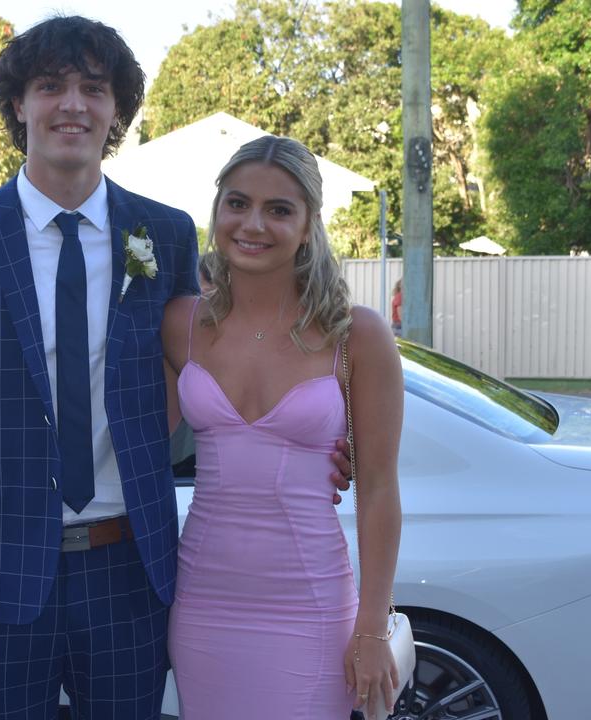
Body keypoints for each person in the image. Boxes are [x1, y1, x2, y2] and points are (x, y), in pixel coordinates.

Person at [0, 17, 354, 719]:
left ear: (116, 113)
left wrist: (317, 440)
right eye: (50, 86)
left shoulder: (163, 235)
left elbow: (221, 362)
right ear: (19, 104)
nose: (71, 104)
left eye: (93, 89)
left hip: (130, 572)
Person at [162, 136, 404, 719]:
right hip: (201, 602)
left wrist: (371, 627)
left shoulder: (358, 335)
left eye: (279, 209)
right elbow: (132, 442)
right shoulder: (180, 324)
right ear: (217, 210)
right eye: (238, 203)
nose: (253, 224)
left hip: (310, 606)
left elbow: (378, 490)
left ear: (308, 224)